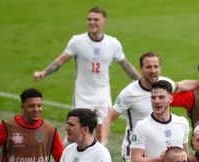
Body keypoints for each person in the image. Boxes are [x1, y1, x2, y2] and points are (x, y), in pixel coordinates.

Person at [33, 7, 140, 144]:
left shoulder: (113, 43)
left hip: (102, 94)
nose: (92, 22)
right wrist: (44, 72)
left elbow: (125, 64)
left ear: (104, 22)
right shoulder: (77, 41)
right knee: (77, 132)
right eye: (89, 19)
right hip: (82, 95)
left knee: (102, 131)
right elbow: (60, 61)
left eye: (96, 19)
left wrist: (140, 81)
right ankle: (63, 154)